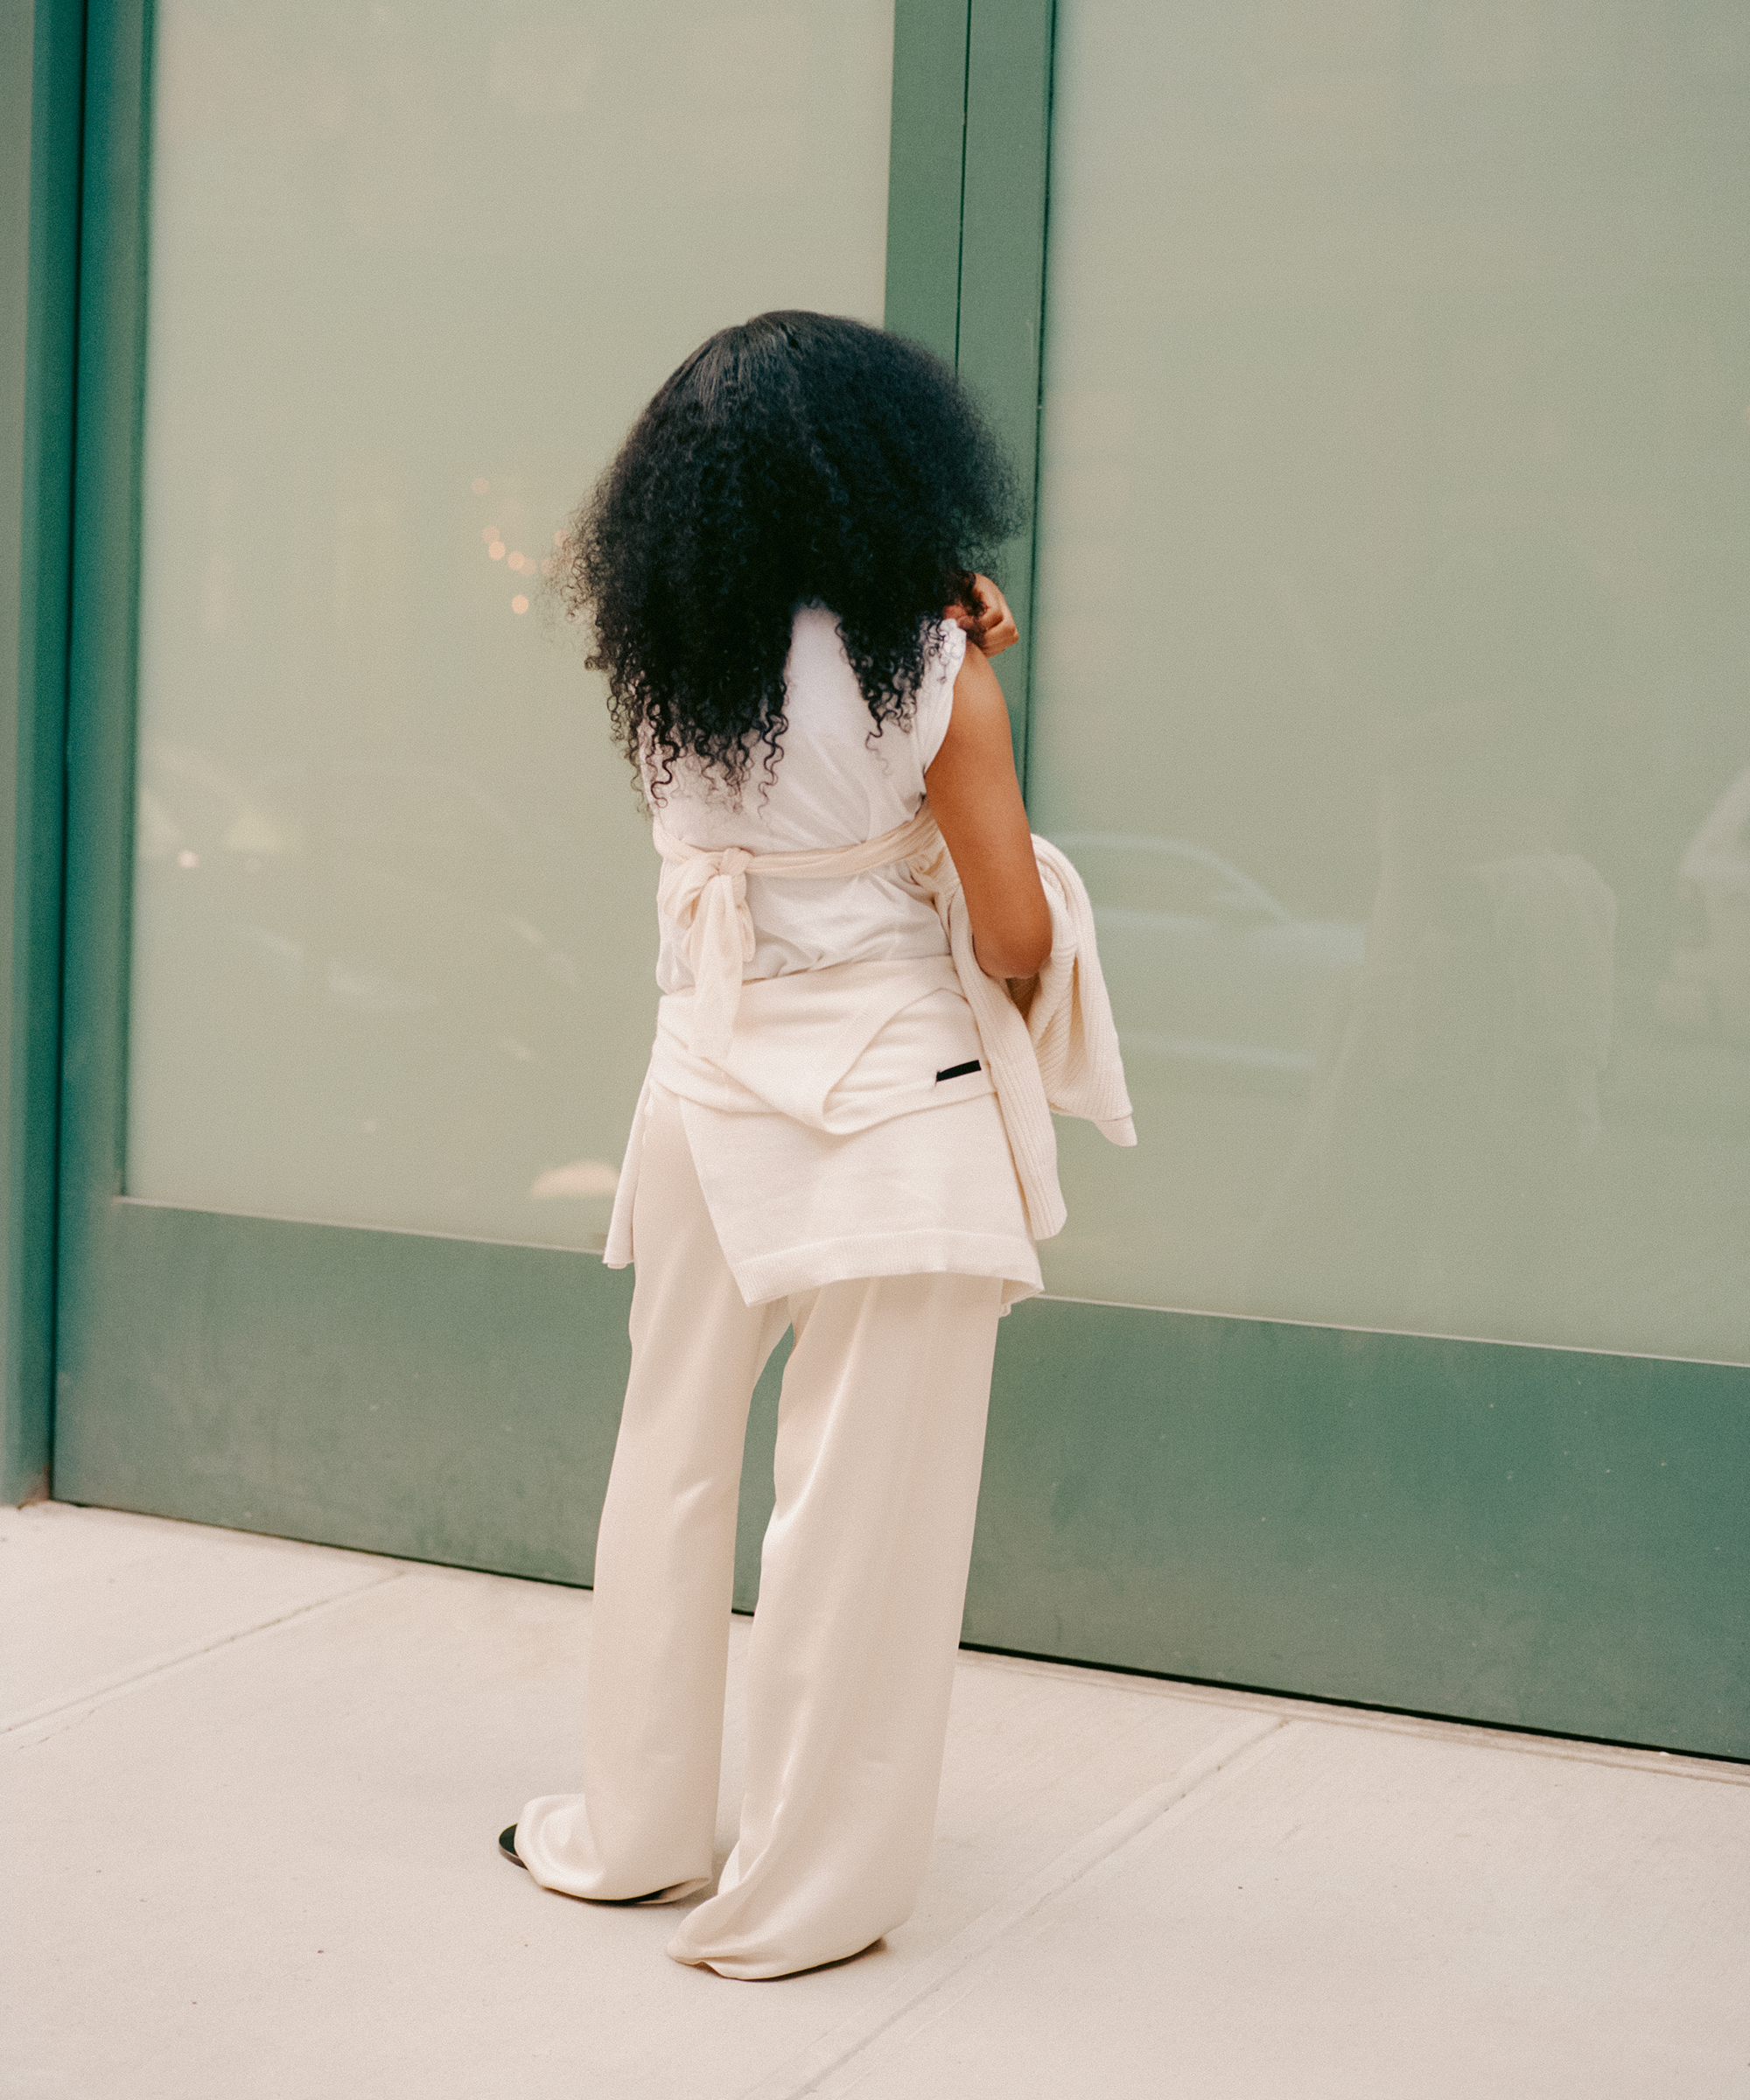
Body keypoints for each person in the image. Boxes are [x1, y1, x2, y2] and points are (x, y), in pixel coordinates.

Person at [500, 312, 1130, 1980]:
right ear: (895, 468)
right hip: (894, 1116)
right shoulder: (930, 668)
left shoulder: (666, 661)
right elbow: (1008, 938)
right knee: (864, 1510)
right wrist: (963, 654)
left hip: (707, 1090)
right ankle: (801, 1896)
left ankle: (633, 1834)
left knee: (674, 1459)